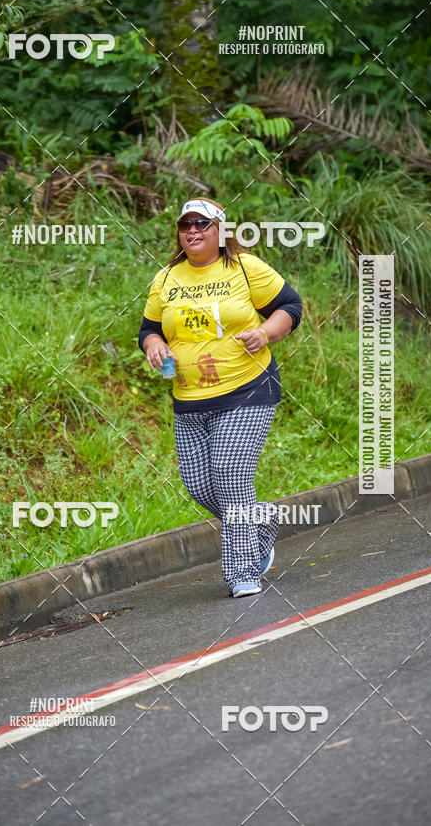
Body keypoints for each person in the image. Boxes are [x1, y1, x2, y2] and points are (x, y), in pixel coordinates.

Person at [138, 197, 302, 598]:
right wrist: (154, 347)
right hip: (190, 398)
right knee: (198, 485)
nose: (192, 231)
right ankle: (258, 519)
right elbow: (148, 329)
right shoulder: (166, 278)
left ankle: (243, 571)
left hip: (247, 388)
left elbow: (290, 306)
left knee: (230, 476)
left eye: (202, 224)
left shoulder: (245, 269)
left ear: (221, 231)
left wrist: (265, 333)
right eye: (185, 225)